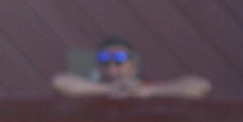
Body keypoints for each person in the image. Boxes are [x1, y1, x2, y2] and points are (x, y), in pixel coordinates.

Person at [51, 37, 212, 100]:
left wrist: (149, 92)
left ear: (133, 66)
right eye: (105, 61)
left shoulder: (148, 87)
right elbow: (59, 82)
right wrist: (108, 89)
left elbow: (201, 86)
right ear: (99, 67)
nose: (112, 67)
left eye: (119, 60)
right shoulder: (91, 89)